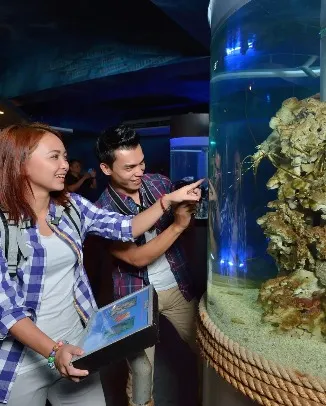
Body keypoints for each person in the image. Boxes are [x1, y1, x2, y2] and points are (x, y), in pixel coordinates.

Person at [0, 123, 201, 406]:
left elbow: (125, 227)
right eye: (54, 157)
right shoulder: (3, 227)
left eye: (65, 156)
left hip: (77, 343)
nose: (66, 165)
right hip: (21, 360)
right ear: (20, 163)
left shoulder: (72, 206)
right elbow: (7, 310)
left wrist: (167, 201)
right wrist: (53, 351)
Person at [95, 125, 201, 404]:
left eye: (142, 162)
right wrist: (177, 225)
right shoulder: (102, 211)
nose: (139, 172)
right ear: (106, 169)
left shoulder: (158, 183)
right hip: (135, 296)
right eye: (129, 167)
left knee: (205, 349)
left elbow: (185, 228)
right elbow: (136, 258)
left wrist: (188, 208)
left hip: (177, 287)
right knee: (142, 371)